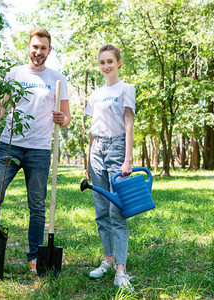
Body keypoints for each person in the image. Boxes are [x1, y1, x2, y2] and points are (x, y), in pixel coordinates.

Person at [0, 28, 70, 272]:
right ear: (28, 47)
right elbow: (0, 110)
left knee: (37, 206)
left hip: (39, 150)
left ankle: (33, 257)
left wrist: (62, 118)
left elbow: (66, 117)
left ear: (49, 50)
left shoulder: (58, 79)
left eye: (43, 48)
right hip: (9, 145)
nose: (38, 52)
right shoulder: (14, 73)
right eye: (35, 47)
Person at [84, 44, 135, 292]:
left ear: (119, 63)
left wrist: (128, 158)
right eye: (102, 62)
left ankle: (121, 271)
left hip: (117, 149)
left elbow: (128, 122)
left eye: (110, 62)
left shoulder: (126, 89)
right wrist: (87, 159)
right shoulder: (95, 94)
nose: (106, 66)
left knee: (117, 212)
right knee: (101, 211)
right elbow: (93, 129)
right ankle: (108, 260)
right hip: (96, 151)